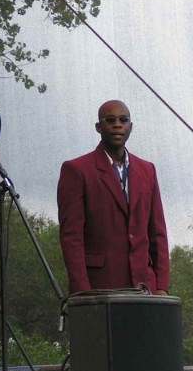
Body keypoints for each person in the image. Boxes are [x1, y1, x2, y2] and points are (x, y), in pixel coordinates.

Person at [57, 100, 169, 295]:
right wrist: (83, 292)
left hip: (144, 287)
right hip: (100, 288)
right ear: (98, 127)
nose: (118, 125)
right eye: (110, 120)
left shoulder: (147, 170)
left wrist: (161, 286)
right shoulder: (77, 170)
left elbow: (157, 232)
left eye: (123, 120)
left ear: (131, 127)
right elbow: (72, 238)